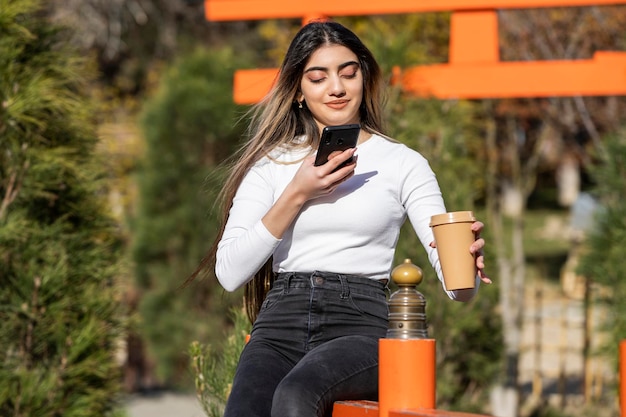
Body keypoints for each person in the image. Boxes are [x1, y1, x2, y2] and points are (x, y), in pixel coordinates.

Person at [195, 20, 491, 417]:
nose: (336, 88)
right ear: (298, 91)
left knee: (297, 394)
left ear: (363, 80)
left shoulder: (402, 163)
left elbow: (459, 289)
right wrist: (299, 191)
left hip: (360, 322)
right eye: (318, 78)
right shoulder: (273, 165)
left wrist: (466, 264)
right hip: (281, 319)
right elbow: (229, 273)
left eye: (348, 74)